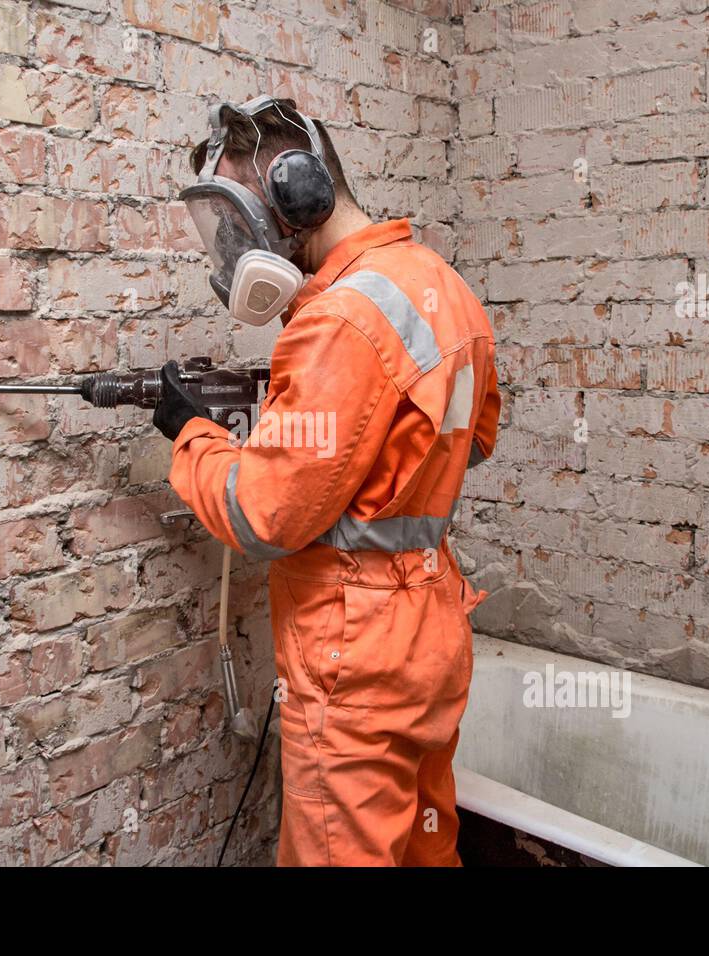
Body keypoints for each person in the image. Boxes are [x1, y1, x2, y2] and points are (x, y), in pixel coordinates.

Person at [151, 96, 501, 866]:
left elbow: (262, 517)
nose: (235, 246)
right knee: (422, 851)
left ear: (296, 192)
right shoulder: (443, 286)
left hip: (355, 650)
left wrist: (192, 434)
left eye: (239, 216)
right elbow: (468, 443)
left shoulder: (337, 319)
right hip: (431, 630)